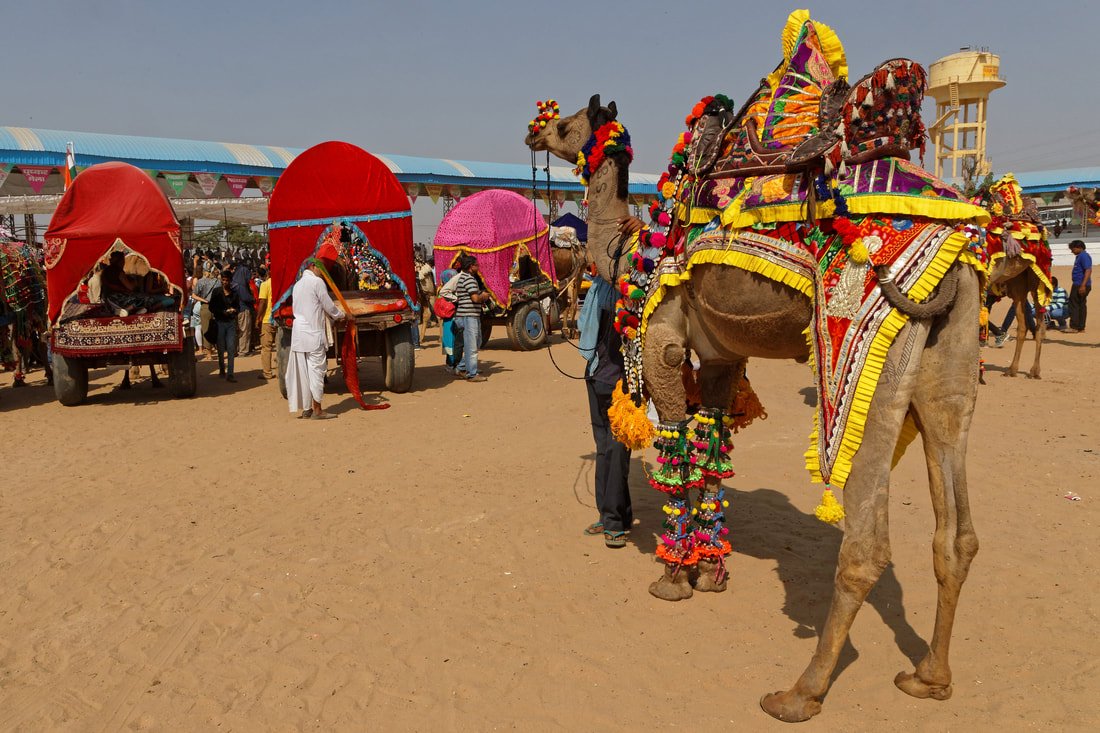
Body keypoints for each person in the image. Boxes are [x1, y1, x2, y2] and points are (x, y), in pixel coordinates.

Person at [579, 216, 639, 549]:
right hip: (594, 374)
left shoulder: (632, 293)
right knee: (603, 450)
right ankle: (611, 514)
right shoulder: (597, 293)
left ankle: (615, 520)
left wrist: (640, 229)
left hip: (623, 382)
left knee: (617, 451)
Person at [286, 258, 346, 419]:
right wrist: (342, 315)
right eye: (321, 269)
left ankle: (307, 409)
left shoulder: (298, 285)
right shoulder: (317, 283)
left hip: (299, 335)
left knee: (303, 372)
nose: (323, 272)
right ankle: (317, 410)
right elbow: (329, 306)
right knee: (317, 372)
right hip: (313, 334)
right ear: (313, 266)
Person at [451, 255, 491, 382]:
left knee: (477, 342)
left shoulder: (464, 278)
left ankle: (462, 367)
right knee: (472, 346)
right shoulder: (469, 279)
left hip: (468, 315)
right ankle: (472, 374)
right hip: (468, 316)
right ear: (470, 267)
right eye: (476, 265)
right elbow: (475, 298)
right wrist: (484, 296)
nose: (478, 267)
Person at [208, 268, 240, 382]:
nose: (224, 282)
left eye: (226, 280)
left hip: (230, 323)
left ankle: (230, 373)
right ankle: (222, 368)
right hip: (219, 323)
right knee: (221, 348)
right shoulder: (216, 292)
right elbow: (211, 307)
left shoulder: (235, 294)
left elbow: (238, 308)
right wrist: (222, 312)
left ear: (230, 281)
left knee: (231, 348)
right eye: (223, 280)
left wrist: (233, 310)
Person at [192, 265, 219, 358]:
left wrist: (204, 300)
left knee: (206, 330)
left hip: (205, 307)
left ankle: (209, 353)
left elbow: (194, 295)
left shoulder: (200, 282)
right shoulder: (218, 282)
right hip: (217, 307)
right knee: (217, 328)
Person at [231, 258, 256, 355]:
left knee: (236, 331)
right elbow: (246, 297)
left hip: (234, 310)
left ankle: (235, 350)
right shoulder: (240, 286)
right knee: (244, 330)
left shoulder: (233, 283)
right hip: (243, 308)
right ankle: (243, 351)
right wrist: (253, 299)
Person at [1067, 240, 1092, 333]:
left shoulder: (1083, 256)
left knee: (1074, 304)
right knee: (1081, 304)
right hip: (1081, 284)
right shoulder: (1081, 256)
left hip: (1080, 284)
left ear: (1079, 247)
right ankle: (1081, 327)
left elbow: (1088, 270)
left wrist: (1083, 285)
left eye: (1073, 249)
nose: (1072, 251)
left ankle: (1074, 326)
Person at [256, 267, 276, 380]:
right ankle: (281, 371)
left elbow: (262, 302)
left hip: (267, 319)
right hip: (279, 318)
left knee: (266, 347)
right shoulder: (282, 284)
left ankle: (267, 372)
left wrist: (258, 317)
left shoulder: (265, 285)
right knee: (280, 346)